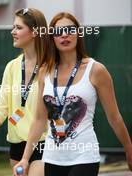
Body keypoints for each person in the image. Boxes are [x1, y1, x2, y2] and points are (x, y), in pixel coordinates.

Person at [13, 12, 132, 176]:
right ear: (52, 38)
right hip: (52, 158)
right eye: (58, 32)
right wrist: (25, 158)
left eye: (70, 30)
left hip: (84, 157)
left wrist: (129, 149)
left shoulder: (96, 70)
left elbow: (114, 117)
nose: (64, 35)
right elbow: (39, 119)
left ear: (78, 33)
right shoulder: (44, 72)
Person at [0, 8, 53, 176]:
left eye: (18, 27)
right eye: (13, 27)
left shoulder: (51, 67)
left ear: (34, 33)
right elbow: (1, 107)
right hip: (17, 145)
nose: (13, 32)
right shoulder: (12, 67)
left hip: (44, 143)